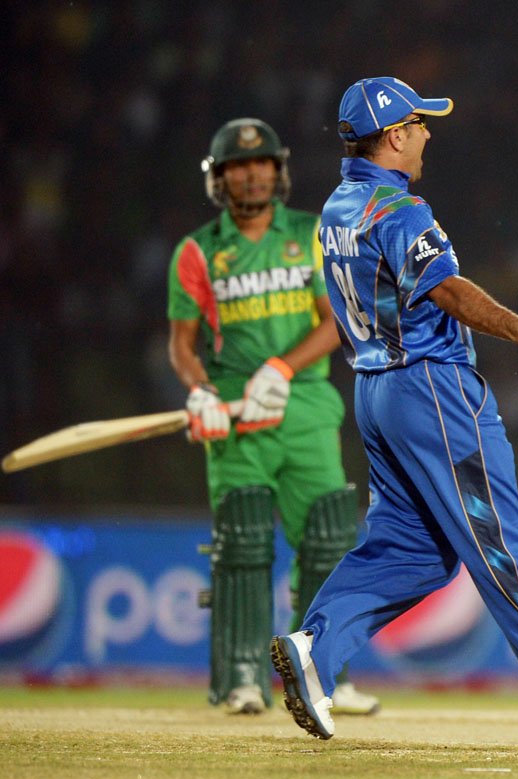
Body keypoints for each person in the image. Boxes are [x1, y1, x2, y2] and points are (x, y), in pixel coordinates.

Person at [269, 77, 518, 752]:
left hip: (376, 393)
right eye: (420, 123)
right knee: (501, 546)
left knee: (413, 549)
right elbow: (443, 286)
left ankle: (316, 644)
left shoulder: (337, 207)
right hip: (432, 392)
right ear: (394, 136)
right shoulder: (398, 209)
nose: (428, 133)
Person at [168, 117, 379, 717]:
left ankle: (320, 675)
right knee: (243, 539)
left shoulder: (312, 234)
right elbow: (182, 344)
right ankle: (239, 676)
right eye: (238, 165)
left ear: (279, 171)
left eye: (261, 164)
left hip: (305, 402)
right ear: (220, 178)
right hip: (234, 413)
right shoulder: (197, 252)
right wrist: (201, 392)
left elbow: (336, 319)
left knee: (329, 537)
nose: (252, 173)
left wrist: (281, 370)